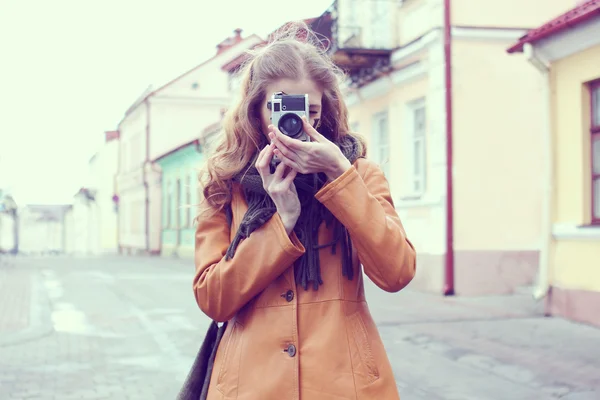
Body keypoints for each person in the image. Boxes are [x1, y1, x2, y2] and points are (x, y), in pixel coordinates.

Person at [193, 21, 416, 400]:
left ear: (325, 111)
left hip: (345, 385)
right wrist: (281, 221)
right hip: (250, 386)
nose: (297, 123)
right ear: (256, 110)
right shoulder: (225, 184)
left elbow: (396, 273)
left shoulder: (358, 175)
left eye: (309, 110)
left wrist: (340, 177)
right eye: (281, 109)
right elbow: (214, 300)